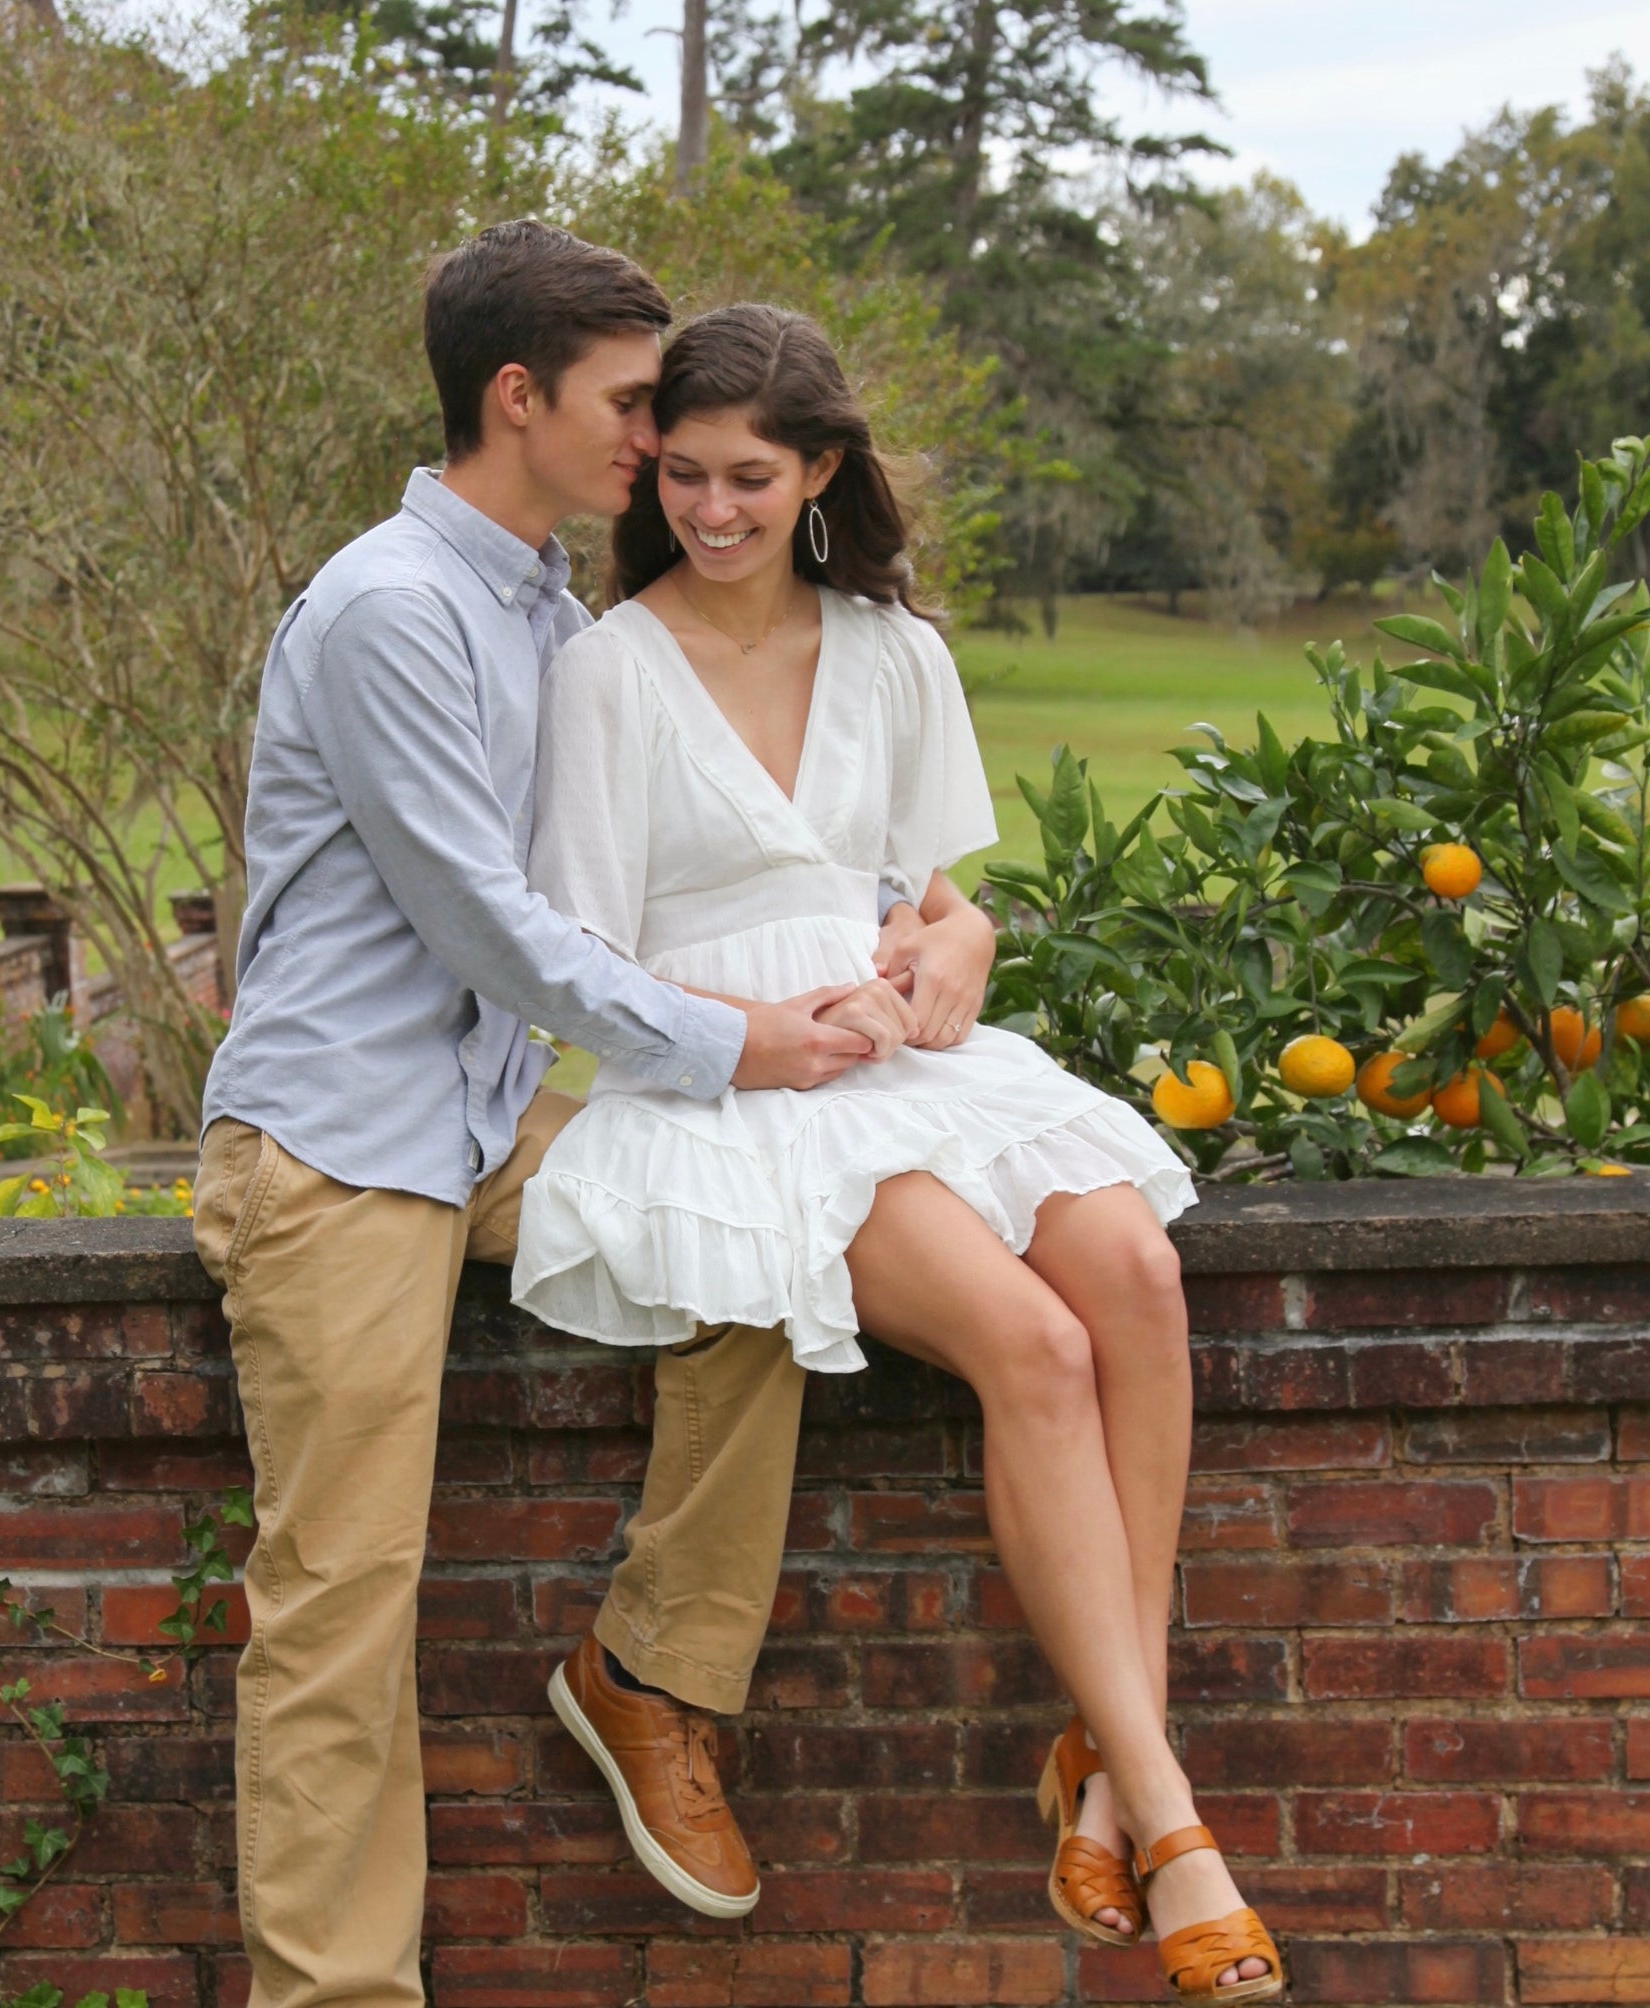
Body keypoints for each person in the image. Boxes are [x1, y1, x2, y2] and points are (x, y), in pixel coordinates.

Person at [512, 303, 1286, 2005]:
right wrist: (760, 1023)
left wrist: (966, 946)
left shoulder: (893, 649)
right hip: (736, 1098)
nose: (711, 509)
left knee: (1137, 1276)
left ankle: (1102, 1748)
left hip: (910, 1067)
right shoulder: (606, 667)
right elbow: (576, 948)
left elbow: (931, 893)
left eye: (750, 477)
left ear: (824, 473)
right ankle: (1165, 1814)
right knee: (1034, 1342)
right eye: (686, 476)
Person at [189, 226, 893, 2007]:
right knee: (343, 1612)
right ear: (519, 398)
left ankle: (648, 1669)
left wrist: (896, 936)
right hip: (341, 1152)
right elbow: (488, 924)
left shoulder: (545, 613)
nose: (659, 450)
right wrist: (731, 1040)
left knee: (756, 1247)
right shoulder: (392, 609)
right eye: (634, 406)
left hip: (489, 1121)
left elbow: (608, 895)